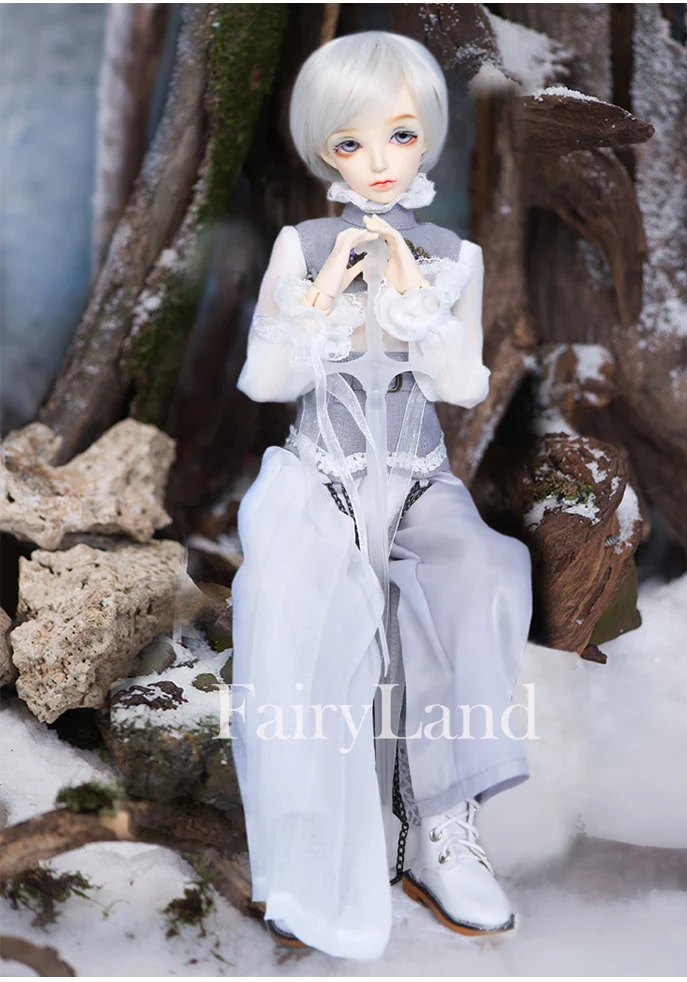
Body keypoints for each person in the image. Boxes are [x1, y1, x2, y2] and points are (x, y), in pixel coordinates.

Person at [230, 30, 533, 961]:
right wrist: (322, 295)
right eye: (352, 141)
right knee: (291, 599)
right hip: (318, 477)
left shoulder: (453, 254)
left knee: (480, 574)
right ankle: (327, 838)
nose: (379, 161)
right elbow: (265, 381)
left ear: (427, 134)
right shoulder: (301, 246)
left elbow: (463, 385)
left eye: (400, 135)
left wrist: (414, 295)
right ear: (326, 149)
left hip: (414, 478)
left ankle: (445, 820)